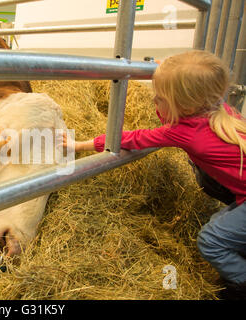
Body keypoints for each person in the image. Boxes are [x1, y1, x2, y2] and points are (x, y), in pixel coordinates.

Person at [62, 50, 246, 299]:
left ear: (188, 105)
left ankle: (240, 282)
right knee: (221, 216)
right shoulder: (221, 109)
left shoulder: (184, 132)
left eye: (159, 98)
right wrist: (167, 70)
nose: (154, 102)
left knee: (211, 241)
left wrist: (80, 145)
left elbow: (134, 138)